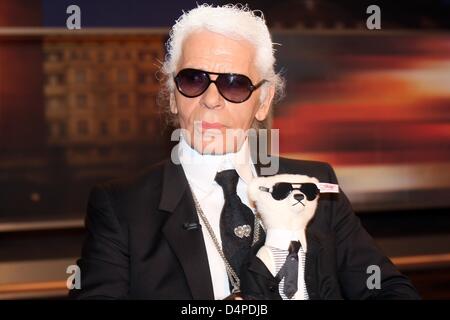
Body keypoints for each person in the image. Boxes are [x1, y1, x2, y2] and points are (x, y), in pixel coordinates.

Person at [69, 4, 420, 300]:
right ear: (173, 95)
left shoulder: (315, 186)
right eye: (193, 80)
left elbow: (390, 290)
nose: (210, 100)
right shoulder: (121, 206)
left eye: (233, 84)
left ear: (263, 101)